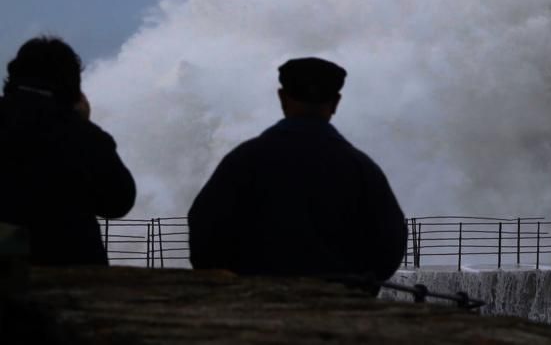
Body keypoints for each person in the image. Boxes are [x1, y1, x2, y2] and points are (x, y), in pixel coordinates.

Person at [187, 57, 407, 281]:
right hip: (339, 302)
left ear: (282, 98)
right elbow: (390, 244)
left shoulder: (243, 160)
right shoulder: (361, 168)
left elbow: (204, 230)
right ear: (335, 103)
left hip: (253, 301)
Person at [0, 36, 136, 265]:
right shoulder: (81, 134)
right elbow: (118, 201)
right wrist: (83, 123)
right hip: (66, 270)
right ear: (73, 85)